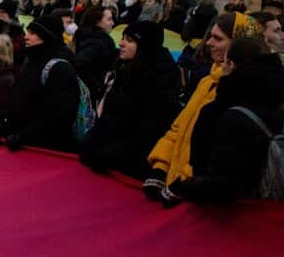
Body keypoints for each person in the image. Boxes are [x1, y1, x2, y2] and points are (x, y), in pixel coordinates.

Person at [144, 12, 261, 202]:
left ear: (239, 45)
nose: (208, 43)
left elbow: (214, 150)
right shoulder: (206, 82)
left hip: (201, 197)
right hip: (179, 186)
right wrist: (160, 167)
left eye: (218, 38)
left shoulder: (244, 89)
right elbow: (178, 128)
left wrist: (185, 182)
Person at [168, 37, 284, 203]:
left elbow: (222, 186)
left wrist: (184, 187)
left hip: (233, 217)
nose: (221, 65)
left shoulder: (232, 115)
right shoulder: (274, 97)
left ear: (233, 65)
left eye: (226, 61)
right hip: (269, 214)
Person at [78, 21, 181, 179]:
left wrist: (108, 154)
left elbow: (149, 131)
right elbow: (110, 116)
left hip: (134, 164)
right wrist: (92, 140)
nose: (121, 43)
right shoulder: (125, 68)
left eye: (130, 40)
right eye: (123, 38)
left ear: (145, 46)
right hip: (110, 156)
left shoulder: (162, 78)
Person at [0, 15, 80, 152]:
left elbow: (59, 115)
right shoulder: (33, 59)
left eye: (33, 33)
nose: (26, 36)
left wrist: (24, 136)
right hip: (20, 142)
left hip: (43, 149)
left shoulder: (60, 67)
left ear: (46, 36)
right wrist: (3, 127)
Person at [72, 5, 118, 104]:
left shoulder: (89, 37)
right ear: (97, 21)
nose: (112, 23)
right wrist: (96, 87)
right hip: (89, 97)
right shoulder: (97, 43)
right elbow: (80, 63)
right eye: (109, 19)